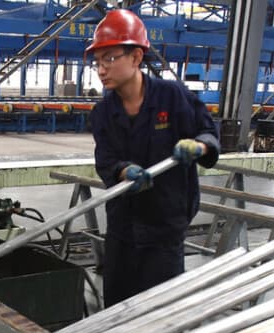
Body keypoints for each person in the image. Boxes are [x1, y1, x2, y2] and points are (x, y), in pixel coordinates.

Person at [88, 9, 219, 307]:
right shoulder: (103, 114)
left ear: (135, 58)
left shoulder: (174, 97)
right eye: (98, 62)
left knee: (160, 312)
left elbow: (209, 132)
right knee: (118, 310)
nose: (101, 69)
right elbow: (105, 160)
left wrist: (198, 147)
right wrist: (124, 172)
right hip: (122, 229)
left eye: (109, 58)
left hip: (165, 229)